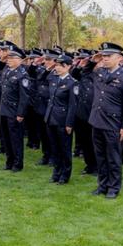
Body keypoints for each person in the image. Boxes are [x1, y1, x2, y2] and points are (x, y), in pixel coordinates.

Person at [89, 42, 123, 199]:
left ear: (119, 58)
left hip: (113, 124)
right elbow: (82, 72)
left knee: (114, 158)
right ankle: (102, 185)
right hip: (97, 121)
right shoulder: (100, 72)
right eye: (104, 56)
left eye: (109, 56)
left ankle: (113, 188)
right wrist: (92, 60)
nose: (105, 58)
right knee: (100, 156)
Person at [45, 53, 78, 184]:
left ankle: (65, 175)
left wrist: (69, 124)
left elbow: (72, 106)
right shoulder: (53, 79)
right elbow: (45, 76)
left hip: (63, 121)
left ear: (68, 67)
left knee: (64, 149)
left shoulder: (72, 83)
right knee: (55, 148)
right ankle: (56, 172)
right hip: (51, 118)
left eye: (61, 65)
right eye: (57, 65)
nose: (57, 68)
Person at [0, 44, 30, 172]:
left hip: (14, 111)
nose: (9, 60)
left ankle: (18, 163)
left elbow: (24, 97)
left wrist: (20, 114)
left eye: (12, 58)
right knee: (6, 138)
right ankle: (9, 161)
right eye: (8, 58)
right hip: (4, 110)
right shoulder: (7, 70)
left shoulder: (22, 75)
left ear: (19, 59)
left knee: (15, 139)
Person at [70, 49, 98, 176]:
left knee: (95, 143)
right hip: (81, 114)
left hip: (95, 115)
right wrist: (85, 63)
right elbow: (73, 75)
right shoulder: (85, 74)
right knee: (85, 142)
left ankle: (97, 166)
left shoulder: (101, 76)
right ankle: (89, 165)